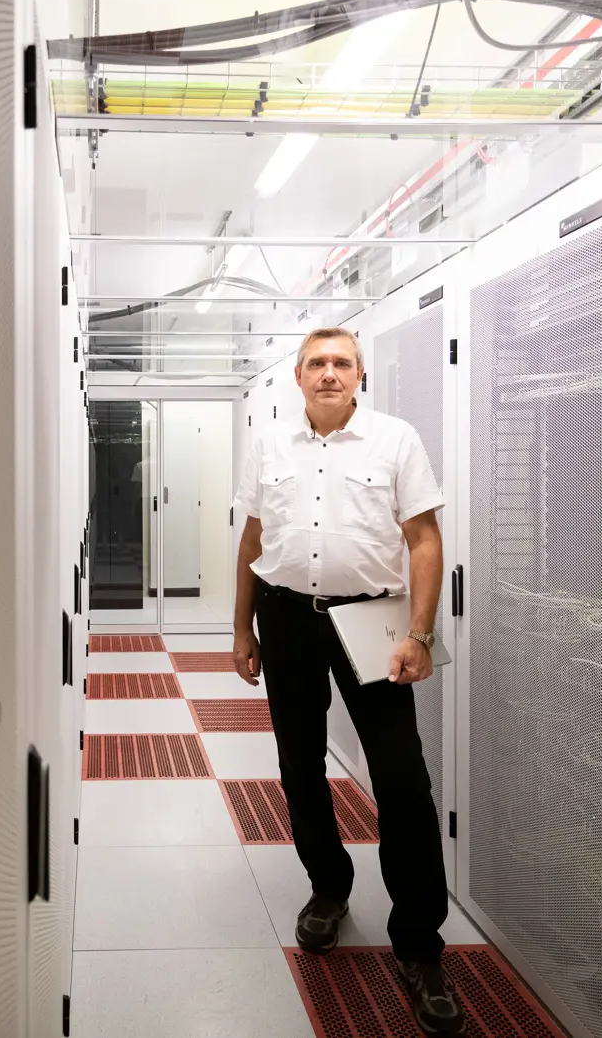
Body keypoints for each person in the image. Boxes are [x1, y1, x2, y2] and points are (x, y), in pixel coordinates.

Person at [231, 326, 461, 1035]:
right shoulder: (269, 444)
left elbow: (424, 539)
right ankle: (328, 889)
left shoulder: (395, 439)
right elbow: (252, 538)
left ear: (360, 375)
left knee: (401, 781)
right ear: (297, 377)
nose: (330, 373)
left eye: (342, 364)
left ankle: (419, 944)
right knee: (300, 766)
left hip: (373, 622)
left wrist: (421, 635)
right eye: (317, 364)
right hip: (288, 617)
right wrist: (242, 629)